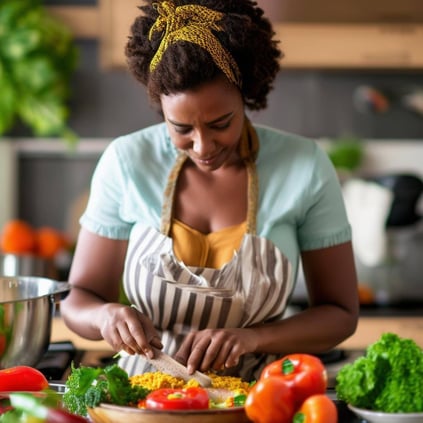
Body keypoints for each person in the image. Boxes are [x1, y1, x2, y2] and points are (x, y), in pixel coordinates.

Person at [61, 0, 359, 381]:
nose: (203, 146)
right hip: (144, 398)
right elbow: (78, 299)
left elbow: (340, 314)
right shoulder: (126, 161)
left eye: (221, 123)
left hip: (257, 400)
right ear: (160, 108)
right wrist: (105, 315)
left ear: (245, 96)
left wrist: (254, 338)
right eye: (181, 129)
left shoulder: (305, 166)